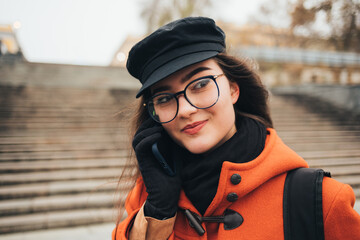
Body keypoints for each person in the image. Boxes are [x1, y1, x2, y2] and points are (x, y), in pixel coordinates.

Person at [112, 17, 360, 240]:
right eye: (164, 98)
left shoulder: (322, 201)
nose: (186, 109)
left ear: (233, 89)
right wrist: (158, 214)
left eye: (200, 84)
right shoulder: (146, 198)